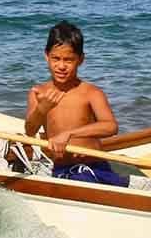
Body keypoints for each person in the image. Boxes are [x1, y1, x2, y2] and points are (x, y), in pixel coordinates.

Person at [24, 21, 129, 186]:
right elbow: (30, 131)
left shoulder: (91, 92)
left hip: (96, 167)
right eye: (56, 58)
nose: (61, 66)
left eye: (69, 60)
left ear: (80, 59)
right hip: (62, 169)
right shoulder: (38, 93)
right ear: (46, 56)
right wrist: (41, 109)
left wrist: (70, 134)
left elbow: (110, 127)